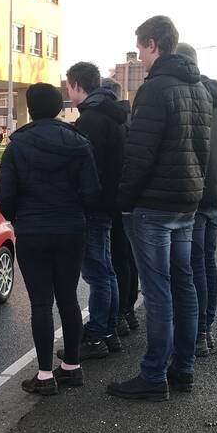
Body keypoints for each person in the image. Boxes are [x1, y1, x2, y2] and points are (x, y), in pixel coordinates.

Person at [108, 15, 211, 401]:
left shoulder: (155, 90)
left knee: (158, 292)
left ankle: (153, 375)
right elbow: (203, 151)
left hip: (153, 205)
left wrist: (123, 202)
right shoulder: (198, 89)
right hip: (187, 202)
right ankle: (182, 369)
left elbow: (139, 155)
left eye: (139, 48)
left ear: (152, 44)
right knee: (184, 284)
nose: (139, 57)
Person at [0, 83, 100, 396]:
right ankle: (72, 366)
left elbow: (4, 194)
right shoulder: (79, 143)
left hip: (32, 230)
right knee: (68, 296)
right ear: (57, 107)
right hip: (70, 228)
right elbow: (92, 191)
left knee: (41, 302)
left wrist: (17, 217)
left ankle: (43, 375)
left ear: (30, 107)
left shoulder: (18, 145)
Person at [62, 62, 128, 360]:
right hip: (112, 201)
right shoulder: (115, 114)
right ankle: (110, 329)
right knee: (107, 269)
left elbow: (84, 168)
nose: (67, 91)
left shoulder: (90, 120)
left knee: (97, 272)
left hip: (93, 205)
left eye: (68, 85)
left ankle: (97, 333)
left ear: (77, 85)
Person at [175, 43, 217, 356]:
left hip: (195, 194)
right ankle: (206, 327)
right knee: (207, 262)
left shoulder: (192, 94)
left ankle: (197, 332)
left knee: (192, 266)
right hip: (216, 192)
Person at [101, 79, 141, 336]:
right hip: (132, 200)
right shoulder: (131, 121)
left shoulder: (107, 122)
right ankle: (128, 310)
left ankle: (118, 315)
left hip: (114, 199)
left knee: (116, 260)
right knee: (128, 257)